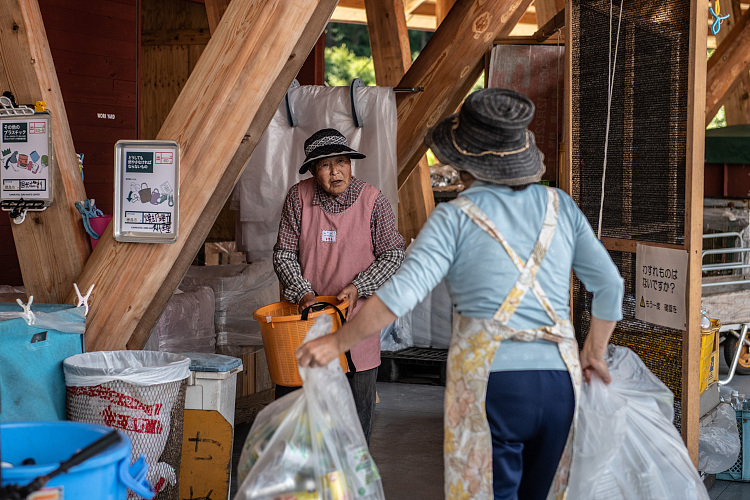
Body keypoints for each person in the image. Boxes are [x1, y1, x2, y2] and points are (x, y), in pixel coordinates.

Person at [295, 89, 624, 499]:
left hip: (493, 386)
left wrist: (335, 343)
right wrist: (594, 351)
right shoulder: (560, 206)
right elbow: (611, 285)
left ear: (464, 160)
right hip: (560, 382)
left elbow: (398, 296)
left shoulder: (455, 217)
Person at [273, 127, 405, 444]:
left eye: (342, 162)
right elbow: (284, 254)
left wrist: (359, 286)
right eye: (325, 165)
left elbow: (394, 254)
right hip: (306, 325)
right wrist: (303, 291)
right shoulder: (298, 197)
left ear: (350, 164)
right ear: (313, 171)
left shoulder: (374, 201)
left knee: (354, 421)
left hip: (356, 326)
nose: (336, 172)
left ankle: (350, 486)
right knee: (298, 415)